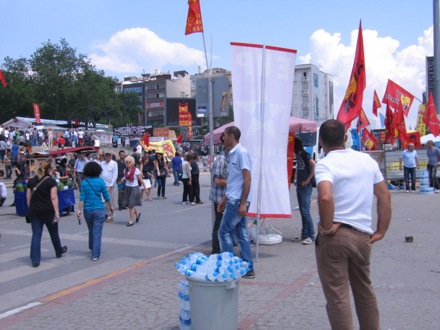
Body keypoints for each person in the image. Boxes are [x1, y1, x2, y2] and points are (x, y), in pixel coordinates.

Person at [314, 119, 392, 330]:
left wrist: (328, 228)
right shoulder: (367, 161)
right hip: (362, 236)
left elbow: (325, 198)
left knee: (338, 296)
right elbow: (384, 195)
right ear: (346, 138)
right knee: (364, 290)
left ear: (321, 141)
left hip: (336, 236)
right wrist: (381, 231)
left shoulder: (325, 164)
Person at [217, 126, 255, 279]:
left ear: (231, 136)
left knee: (224, 232)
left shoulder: (241, 153)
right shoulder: (232, 154)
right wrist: (224, 199)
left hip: (238, 201)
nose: (223, 138)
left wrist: (243, 203)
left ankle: (228, 268)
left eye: (224, 135)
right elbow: (234, 182)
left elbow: (247, 178)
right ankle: (248, 267)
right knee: (240, 234)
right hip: (233, 199)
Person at [26, 160, 68, 267]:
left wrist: (30, 208)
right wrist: (57, 212)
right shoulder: (51, 182)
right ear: (49, 170)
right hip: (48, 211)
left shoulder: (31, 181)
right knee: (53, 233)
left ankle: (35, 260)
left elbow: (28, 197)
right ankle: (59, 251)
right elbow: (53, 197)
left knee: (36, 235)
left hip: (35, 211)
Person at [76, 162, 113, 261]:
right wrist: (111, 207)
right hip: (99, 209)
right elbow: (106, 196)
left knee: (91, 229)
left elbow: (82, 198)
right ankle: (95, 254)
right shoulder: (100, 182)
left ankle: (92, 247)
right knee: (97, 231)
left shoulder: (84, 182)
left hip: (87, 210)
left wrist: (79, 209)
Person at [208, 134, 228, 254]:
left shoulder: (231, 158)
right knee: (219, 225)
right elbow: (217, 180)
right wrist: (235, 182)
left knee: (225, 225)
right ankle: (216, 250)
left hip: (228, 197)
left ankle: (223, 248)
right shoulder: (221, 159)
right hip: (220, 198)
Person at [294, 138, 316, 245]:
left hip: (306, 186)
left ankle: (311, 235)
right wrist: (296, 178)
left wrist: (307, 180)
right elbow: (298, 169)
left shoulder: (305, 155)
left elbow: (314, 165)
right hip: (299, 185)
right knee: (303, 211)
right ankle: (304, 233)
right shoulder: (298, 156)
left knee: (305, 211)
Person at [121, 155, 146, 226]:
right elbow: (125, 177)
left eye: (129, 162)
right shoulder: (125, 170)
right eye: (126, 162)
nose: (128, 163)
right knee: (129, 205)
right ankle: (137, 214)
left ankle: (131, 220)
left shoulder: (136, 170)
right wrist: (123, 179)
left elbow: (141, 180)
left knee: (131, 205)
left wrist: (145, 188)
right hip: (127, 188)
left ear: (132, 163)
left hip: (134, 188)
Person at [100, 152, 118, 223]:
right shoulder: (102, 163)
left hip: (110, 184)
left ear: (111, 156)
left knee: (110, 200)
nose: (107, 157)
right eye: (106, 156)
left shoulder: (114, 163)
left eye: (108, 156)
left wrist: (111, 184)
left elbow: (115, 174)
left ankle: (111, 215)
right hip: (103, 184)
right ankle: (106, 213)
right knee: (104, 201)